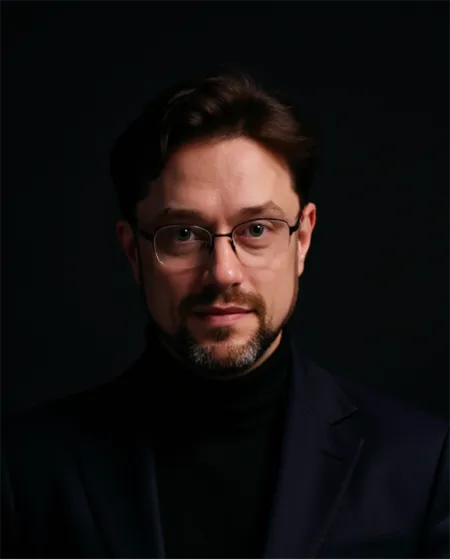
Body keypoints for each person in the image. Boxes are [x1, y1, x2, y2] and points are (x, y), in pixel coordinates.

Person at [1, 69, 449, 559]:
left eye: (256, 229)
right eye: (183, 234)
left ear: (302, 239)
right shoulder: (27, 470)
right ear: (132, 252)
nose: (222, 273)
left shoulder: (422, 464)